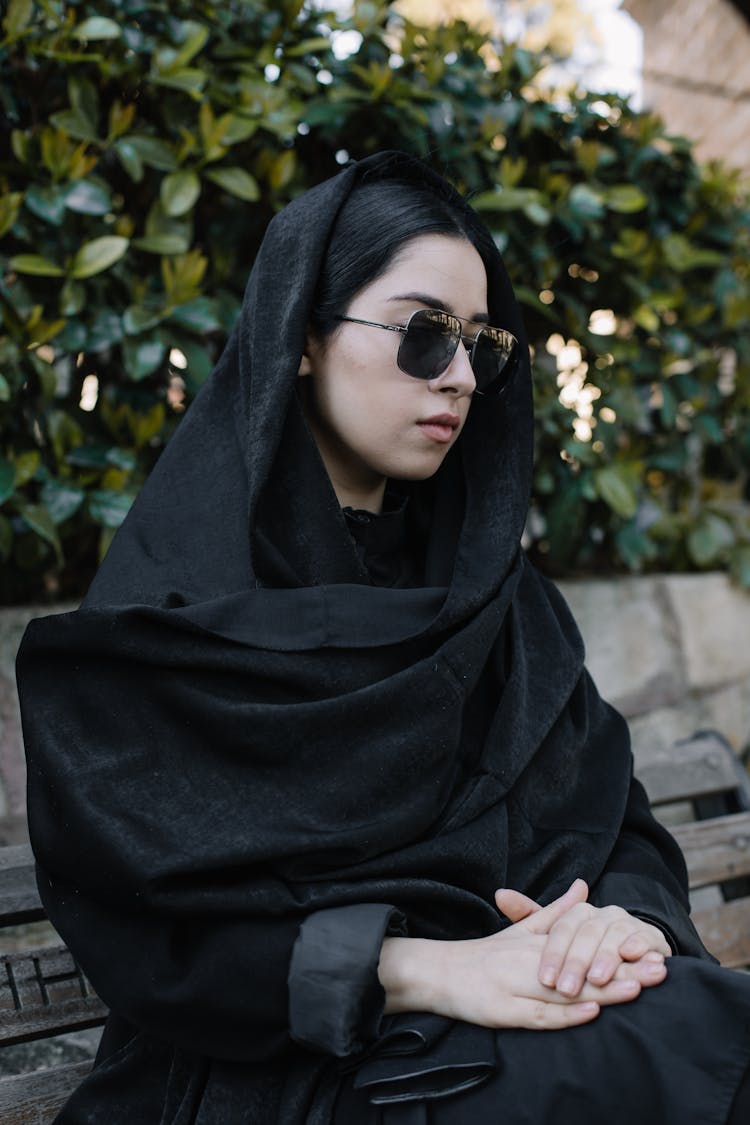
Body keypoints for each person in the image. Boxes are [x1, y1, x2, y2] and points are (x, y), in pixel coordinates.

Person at [15, 150, 750, 1124]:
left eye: (482, 347)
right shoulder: (170, 608)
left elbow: (613, 819)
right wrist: (425, 971)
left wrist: (615, 925)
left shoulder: (498, 599)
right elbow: (151, 934)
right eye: (422, 334)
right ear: (305, 333)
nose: (460, 378)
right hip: (289, 1065)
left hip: (540, 1014)